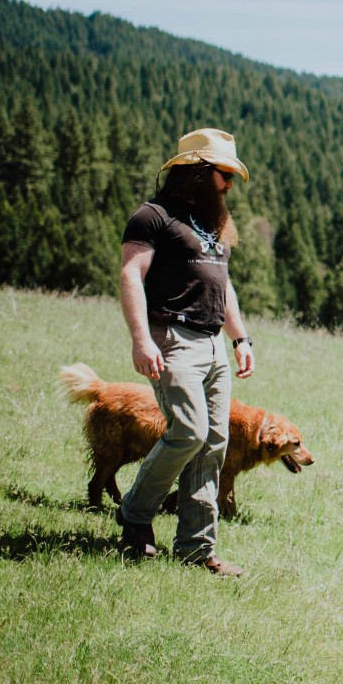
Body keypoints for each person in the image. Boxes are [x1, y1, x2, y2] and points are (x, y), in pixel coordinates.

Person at [116, 128, 257, 577]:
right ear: (197, 172)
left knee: (215, 442)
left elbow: (223, 283)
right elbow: (131, 276)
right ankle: (135, 515)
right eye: (223, 175)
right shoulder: (152, 216)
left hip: (214, 343)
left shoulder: (215, 223)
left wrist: (240, 338)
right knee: (190, 431)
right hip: (172, 338)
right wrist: (141, 339)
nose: (229, 185)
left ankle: (197, 548)